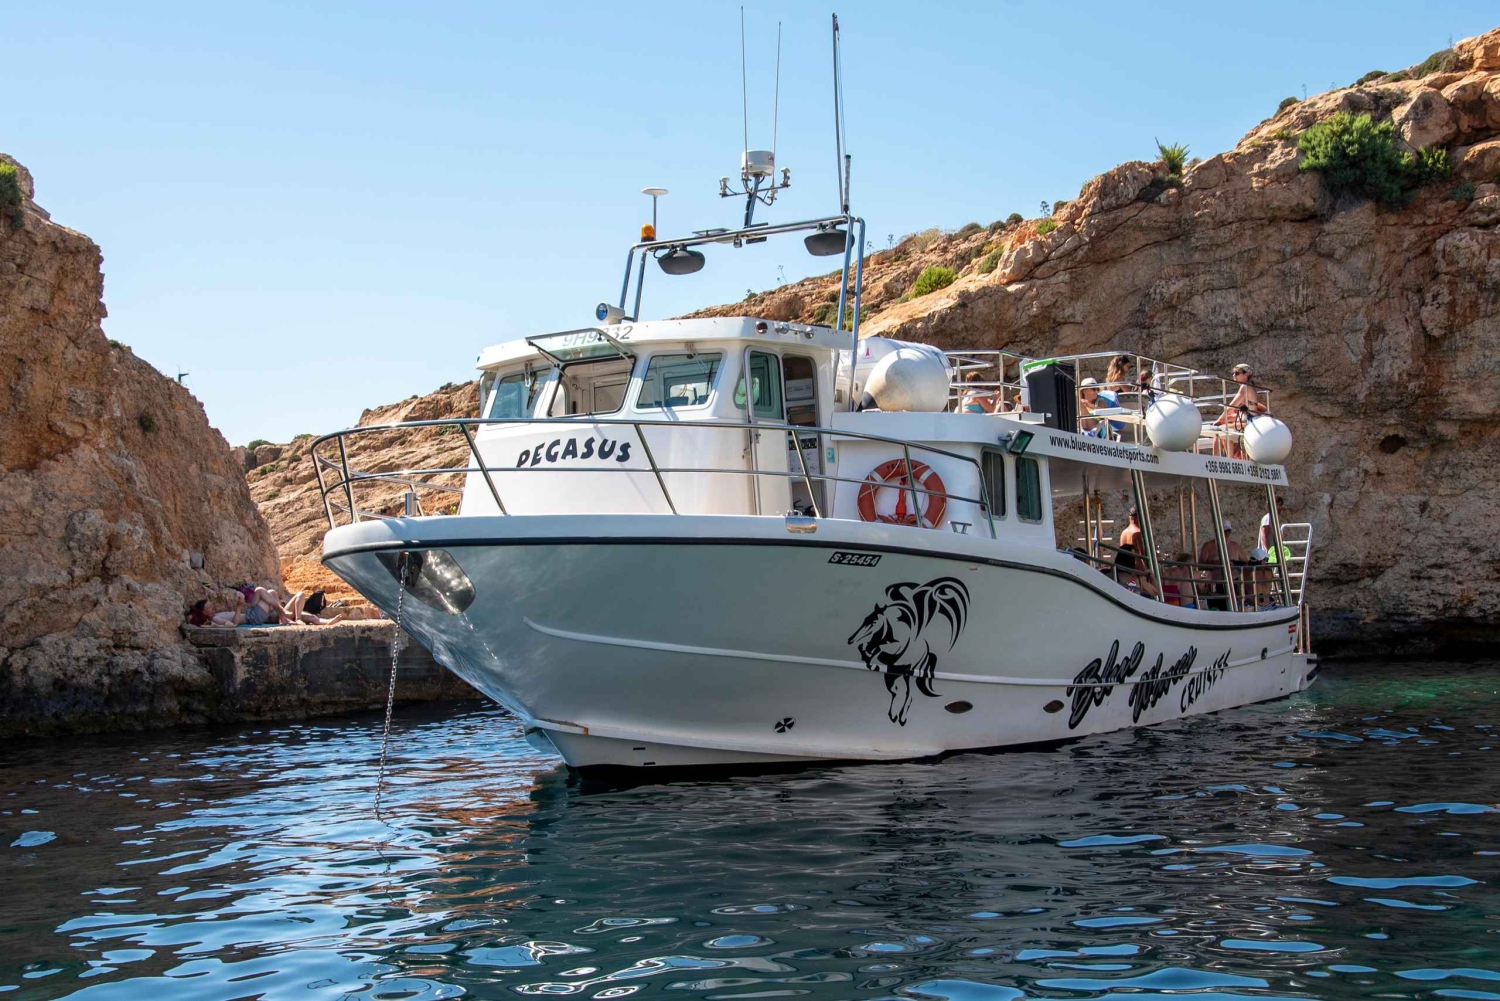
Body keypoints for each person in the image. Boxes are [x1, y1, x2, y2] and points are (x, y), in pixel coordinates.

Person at [1213, 362, 1268, 457]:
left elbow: (1231, 407)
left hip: (1249, 421)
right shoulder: (1251, 386)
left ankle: (1225, 459)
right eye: (1233, 373)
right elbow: (1261, 407)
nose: (1234, 375)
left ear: (1247, 374)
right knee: (1225, 423)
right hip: (1251, 419)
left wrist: (1218, 420)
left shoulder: (1245, 387)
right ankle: (1230, 457)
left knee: (1220, 428)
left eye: (1237, 373)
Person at [1198, 519, 1248, 609]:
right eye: (1224, 531)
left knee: (1233, 609)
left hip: (1233, 584)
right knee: (1215, 609)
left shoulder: (1235, 546)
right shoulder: (1208, 546)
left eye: (1228, 531)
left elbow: (1246, 564)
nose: (1226, 533)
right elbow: (1200, 566)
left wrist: (1233, 563)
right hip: (1214, 585)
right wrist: (1214, 564)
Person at [1113, 506, 1159, 599]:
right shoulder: (1137, 533)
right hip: (1136, 571)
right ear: (1139, 517)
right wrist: (1147, 571)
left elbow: (1122, 554)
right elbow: (1142, 555)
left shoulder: (1124, 533)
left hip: (1123, 570)